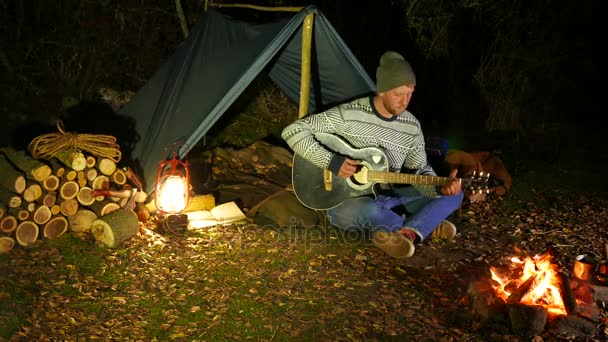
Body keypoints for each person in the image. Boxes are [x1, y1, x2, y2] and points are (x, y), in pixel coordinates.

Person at [281, 51, 463, 258]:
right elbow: (293, 131)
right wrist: (331, 161)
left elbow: (419, 170)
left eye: (410, 93)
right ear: (382, 90)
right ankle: (423, 225)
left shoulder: (411, 126)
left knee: (456, 194)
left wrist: (439, 187)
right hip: (351, 200)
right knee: (362, 211)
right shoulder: (348, 114)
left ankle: (406, 232)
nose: (404, 102)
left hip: (392, 196)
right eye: (398, 94)